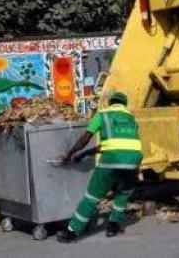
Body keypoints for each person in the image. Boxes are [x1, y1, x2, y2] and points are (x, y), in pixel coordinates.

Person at [57, 91, 143, 243]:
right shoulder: (132, 118)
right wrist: (84, 155)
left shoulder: (102, 115)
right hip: (133, 159)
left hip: (111, 159)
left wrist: (70, 154)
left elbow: (84, 139)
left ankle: (72, 232)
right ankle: (113, 226)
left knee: (93, 196)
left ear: (110, 103)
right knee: (123, 192)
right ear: (124, 104)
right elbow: (116, 144)